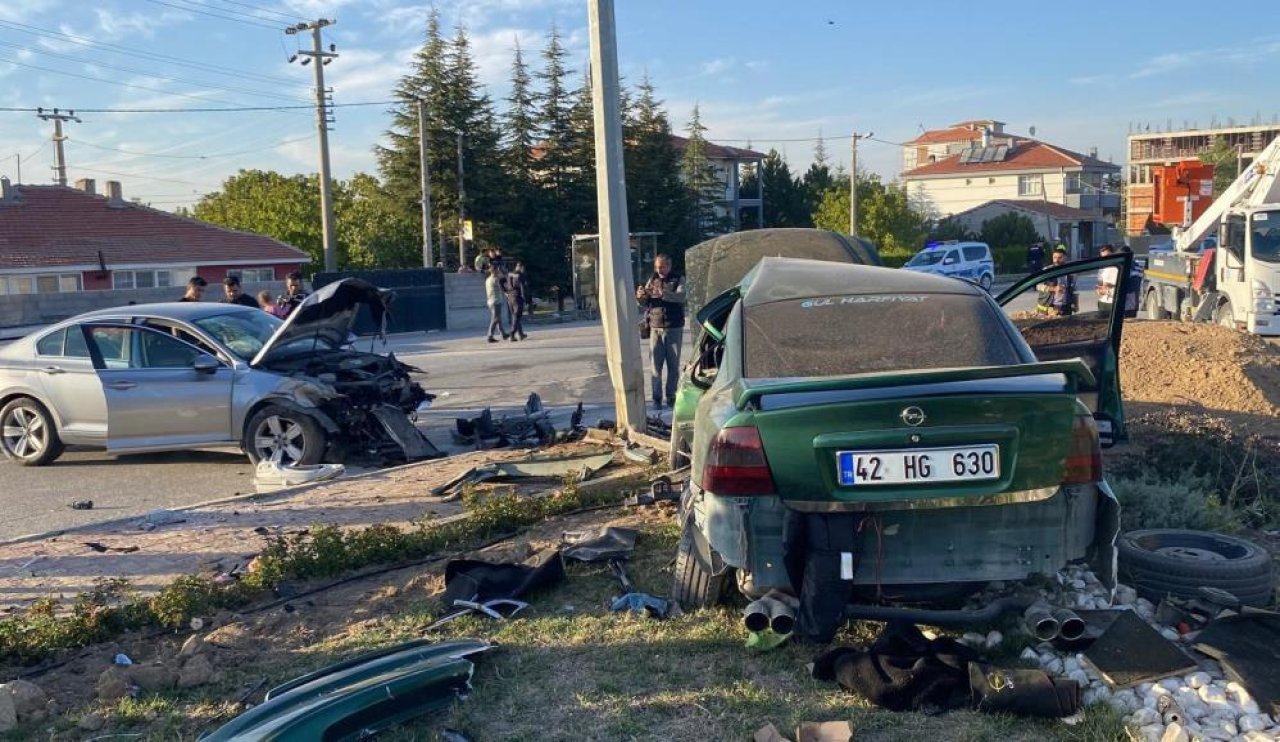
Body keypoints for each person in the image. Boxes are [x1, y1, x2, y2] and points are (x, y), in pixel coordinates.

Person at [636, 253, 685, 409]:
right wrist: (640, 296)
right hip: (655, 328)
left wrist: (664, 293)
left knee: (673, 367)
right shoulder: (652, 279)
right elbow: (645, 303)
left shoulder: (678, 279)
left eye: (662, 267)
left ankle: (671, 397)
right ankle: (656, 399)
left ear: (669, 266)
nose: (659, 270)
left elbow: (682, 297)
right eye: (657, 267)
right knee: (655, 367)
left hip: (673, 328)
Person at [1035, 247, 1076, 316]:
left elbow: (1074, 290)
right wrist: (1053, 289)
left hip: (1065, 307)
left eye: (1060, 257)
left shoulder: (1071, 272)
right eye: (1054, 257)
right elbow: (1038, 286)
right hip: (1049, 307)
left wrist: (1075, 304)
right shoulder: (1047, 270)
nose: (1056, 260)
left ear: (1065, 258)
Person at [504, 260, 528, 341]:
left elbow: (503, 283)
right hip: (517, 297)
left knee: (515, 316)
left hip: (510, 297)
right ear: (520, 267)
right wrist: (524, 298)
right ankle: (512, 334)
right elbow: (522, 287)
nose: (523, 270)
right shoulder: (520, 275)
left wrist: (505, 292)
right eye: (523, 268)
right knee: (517, 317)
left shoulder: (509, 274)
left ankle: (520, 334)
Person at [485, 266, 508, 343]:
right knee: (495, 319)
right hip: (496, 301)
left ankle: (503, 334)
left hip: (490, 301)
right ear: (495, 271)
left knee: (498, 318)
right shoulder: (495, 280)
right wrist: (503, 277)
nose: (498, 272)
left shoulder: (487, 279)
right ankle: (490, 335)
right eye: (497, 271)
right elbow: (502, 288)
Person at [1094, 244, 1117, 316]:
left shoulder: (1118, 268)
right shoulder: (1102, 269)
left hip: (1113, 302)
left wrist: (1108, 290)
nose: (1105, 259)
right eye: (1103, 257)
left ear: (1113, 254)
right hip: (1102, 302)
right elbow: (1100, 285)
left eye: (1107, 256)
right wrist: (1099, 290)